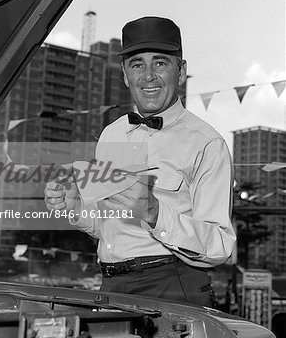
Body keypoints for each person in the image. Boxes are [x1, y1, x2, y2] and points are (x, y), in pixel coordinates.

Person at [44, 16, 236, 306]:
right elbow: (109, 228)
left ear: (181, 71)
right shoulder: (111, 134)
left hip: (172, 286)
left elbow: (219, 245)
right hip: (111, 285)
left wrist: (154, 212)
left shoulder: (207, 143)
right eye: (137, 64)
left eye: (160, 63)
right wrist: (76, 208)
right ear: (124, 74)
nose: (148, 75)